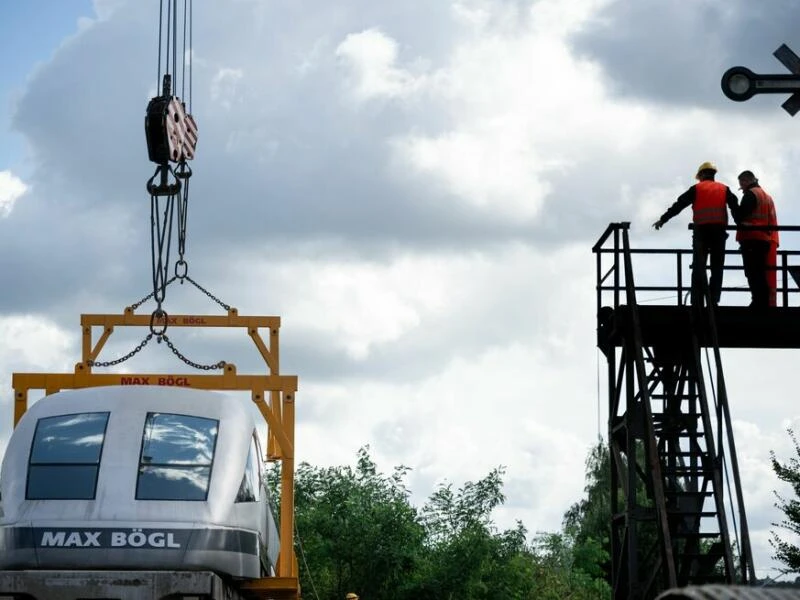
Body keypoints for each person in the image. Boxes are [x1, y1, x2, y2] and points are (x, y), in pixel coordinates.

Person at [652, 161, 739, 306]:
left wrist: (663, 219)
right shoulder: (724, 189)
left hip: (701, 234)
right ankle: (713, 300)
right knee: (717, 268)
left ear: (702, 175)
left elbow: (678, 205)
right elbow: (735, 208)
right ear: (713, 175)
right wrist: (741, 225)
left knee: (699, 268)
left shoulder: (696, 189)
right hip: (719, 233)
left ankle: (696, 301)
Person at [735, 170, 778, 308]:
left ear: (746, 181)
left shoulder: (751, 194)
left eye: (742, 185)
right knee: (760, 272)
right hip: (764, 240)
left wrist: (733, 206)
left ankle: (758, 302)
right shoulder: (767, 197)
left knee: (753, 272)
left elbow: (740, 217)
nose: (742, 189)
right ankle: (763, 301)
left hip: (751, 239)